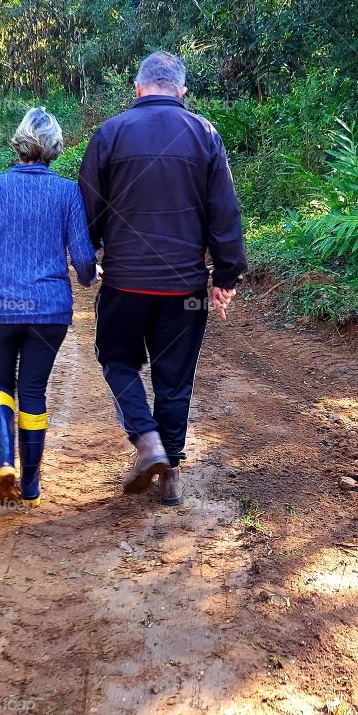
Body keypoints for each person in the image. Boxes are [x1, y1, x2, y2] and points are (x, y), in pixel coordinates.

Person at [79, 51, 246, 505]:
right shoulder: (205, 134)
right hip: (184, 288)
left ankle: (147, 440)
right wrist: (226, 274)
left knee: (117, 360)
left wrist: (86, 257)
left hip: (125, 284)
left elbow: (88, 208)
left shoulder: (109, 134)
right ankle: (169, 470)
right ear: (182, 91)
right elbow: (224, 213)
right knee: (175, 378)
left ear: (137, 88)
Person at [0, 107, 97, 507]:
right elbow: (83, 258)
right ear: (55, 146)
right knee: (33, 391)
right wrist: (89, 275)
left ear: (19, 142)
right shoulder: (67, 191)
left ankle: (4, 464)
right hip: (48, 312)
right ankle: (30, 486)